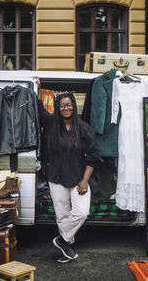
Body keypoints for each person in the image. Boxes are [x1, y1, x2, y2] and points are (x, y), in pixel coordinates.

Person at [35, 77, 102, 263]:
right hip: (56, 177)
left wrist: (85, 180)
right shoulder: (50, 124)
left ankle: (62, 240)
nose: (66, 108)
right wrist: (37, 90)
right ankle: (67, 248)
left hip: (79, 177)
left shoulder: (83, 129)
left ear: (74, 106)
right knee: (62, 215)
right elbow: (39, 110)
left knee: (81, 212)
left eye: (69, 105)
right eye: (62, 106)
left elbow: (93, 156)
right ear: (57, 108)